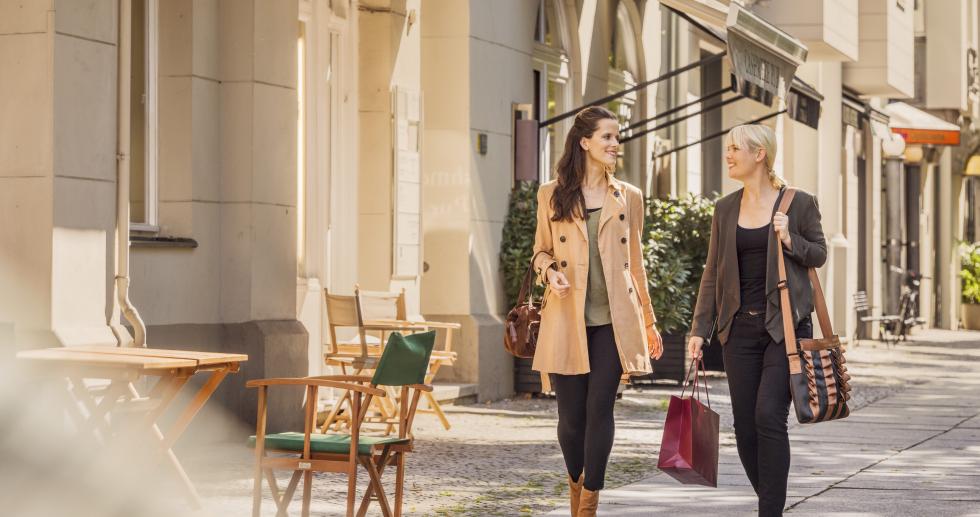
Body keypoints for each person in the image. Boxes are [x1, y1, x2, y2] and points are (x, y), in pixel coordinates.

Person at [687, 124, 827, 517]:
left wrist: (790, 241)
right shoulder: (725, 207)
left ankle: (770, 512)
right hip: (739, 330)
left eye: (735, 149)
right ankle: (770, 500)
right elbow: (712, 271)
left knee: (768, 414)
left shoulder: (798, 203)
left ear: (759, 154)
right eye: (728, 148)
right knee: (745, 428)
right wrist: (700, 329)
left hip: (784, 328)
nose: (728, 155)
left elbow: (818, 253)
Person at [531, 106, 664, 517]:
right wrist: (550, 271)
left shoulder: (629, 196)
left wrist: (649, 320)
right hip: (566, 319)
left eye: (617, 137)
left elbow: (636, 263)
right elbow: (539, 251)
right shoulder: (550, 194)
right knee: (571, 420)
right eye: (607, 137)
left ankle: (588, 504)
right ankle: (576, 487)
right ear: (584, 142)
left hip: (612, 321)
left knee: (599, 408)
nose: (614, 144)